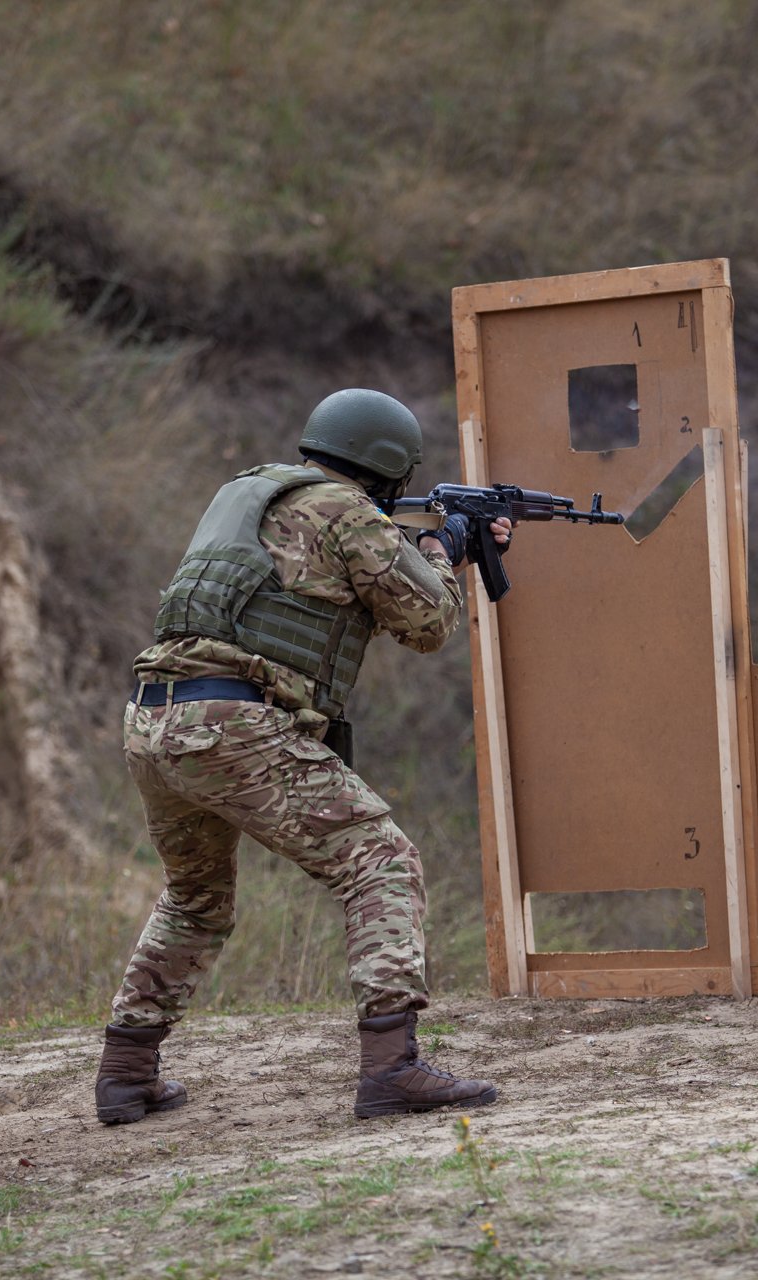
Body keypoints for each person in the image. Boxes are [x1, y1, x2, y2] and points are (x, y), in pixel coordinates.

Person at [96, 387, 508, 1124]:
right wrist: (448, 550)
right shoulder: (348, 513)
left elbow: (300, 595)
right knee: (379, 862)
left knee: (195, 899)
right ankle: (392, 1068)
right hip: (233, 722)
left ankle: (127, 1073)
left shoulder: (245, 493)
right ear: (389, 467)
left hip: (154, 718)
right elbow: (428, 621)